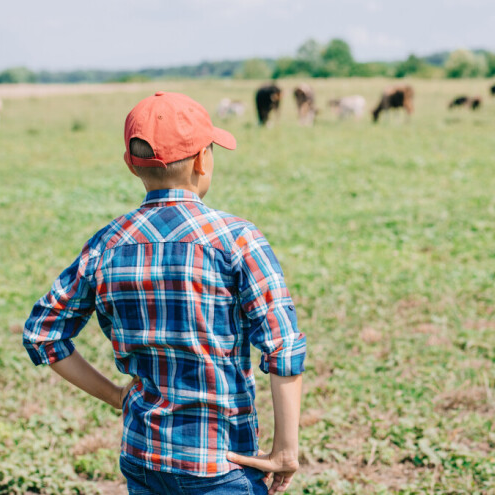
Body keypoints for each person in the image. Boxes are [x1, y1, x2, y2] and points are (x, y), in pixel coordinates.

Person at [22, 91, 306, 494]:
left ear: (130, 165)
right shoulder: (238, 240)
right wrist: (285, 450)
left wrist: (119, 396)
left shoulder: (106, 244)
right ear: (203, 160)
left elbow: (43, 334)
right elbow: (283, 346)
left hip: (142, 457)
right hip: (222, 463)